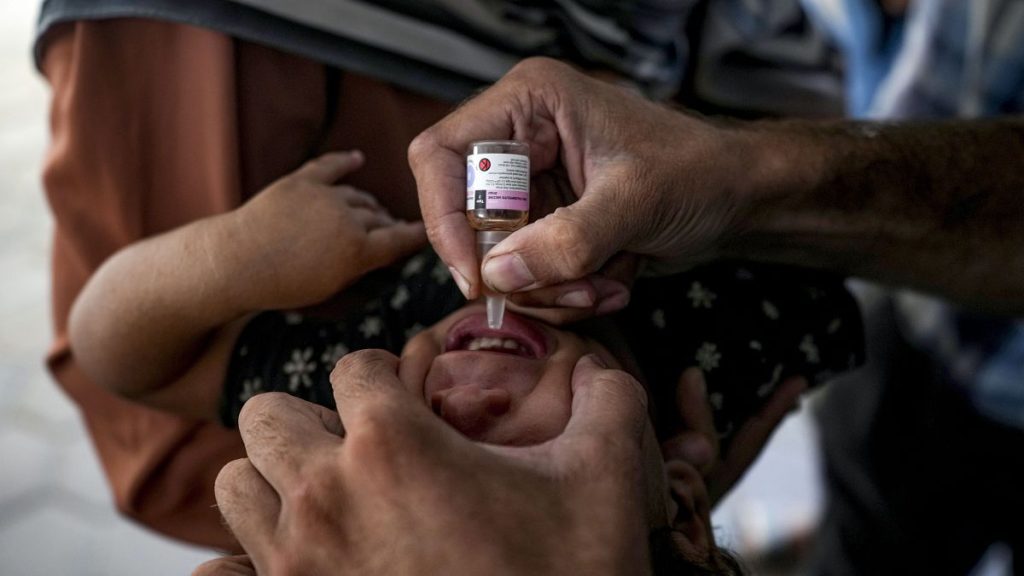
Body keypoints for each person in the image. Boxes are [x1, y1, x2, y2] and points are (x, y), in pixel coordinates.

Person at [70, 149, 864, 572]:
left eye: (413, 441)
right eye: (521, 461)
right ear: (678, 498)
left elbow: (111, 353)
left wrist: (236, 252)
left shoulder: (353, 374)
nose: (464, 408)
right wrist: (700, 205)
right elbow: (845, 203)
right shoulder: (724, 351)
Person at [408, 52, 1024, 572]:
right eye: (515, 472)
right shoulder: (761, 336)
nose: (459, 405)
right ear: (683, 499)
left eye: (396, 433)